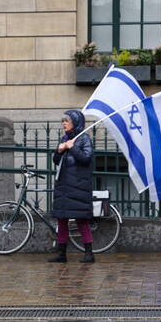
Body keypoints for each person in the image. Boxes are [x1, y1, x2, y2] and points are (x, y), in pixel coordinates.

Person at [49, 109, 95, 263]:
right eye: (62, 120)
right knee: (62, 219)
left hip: (78, 186)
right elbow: (56, 161)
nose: (63, 123)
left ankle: (89, 254)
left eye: (66, 120)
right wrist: (59, 150)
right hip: (63, 186)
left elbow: (86, 158)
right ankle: (61, 254)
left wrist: (72, 147)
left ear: (75, 122)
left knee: (81, 219)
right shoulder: (65, 138)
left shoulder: (83, 139)